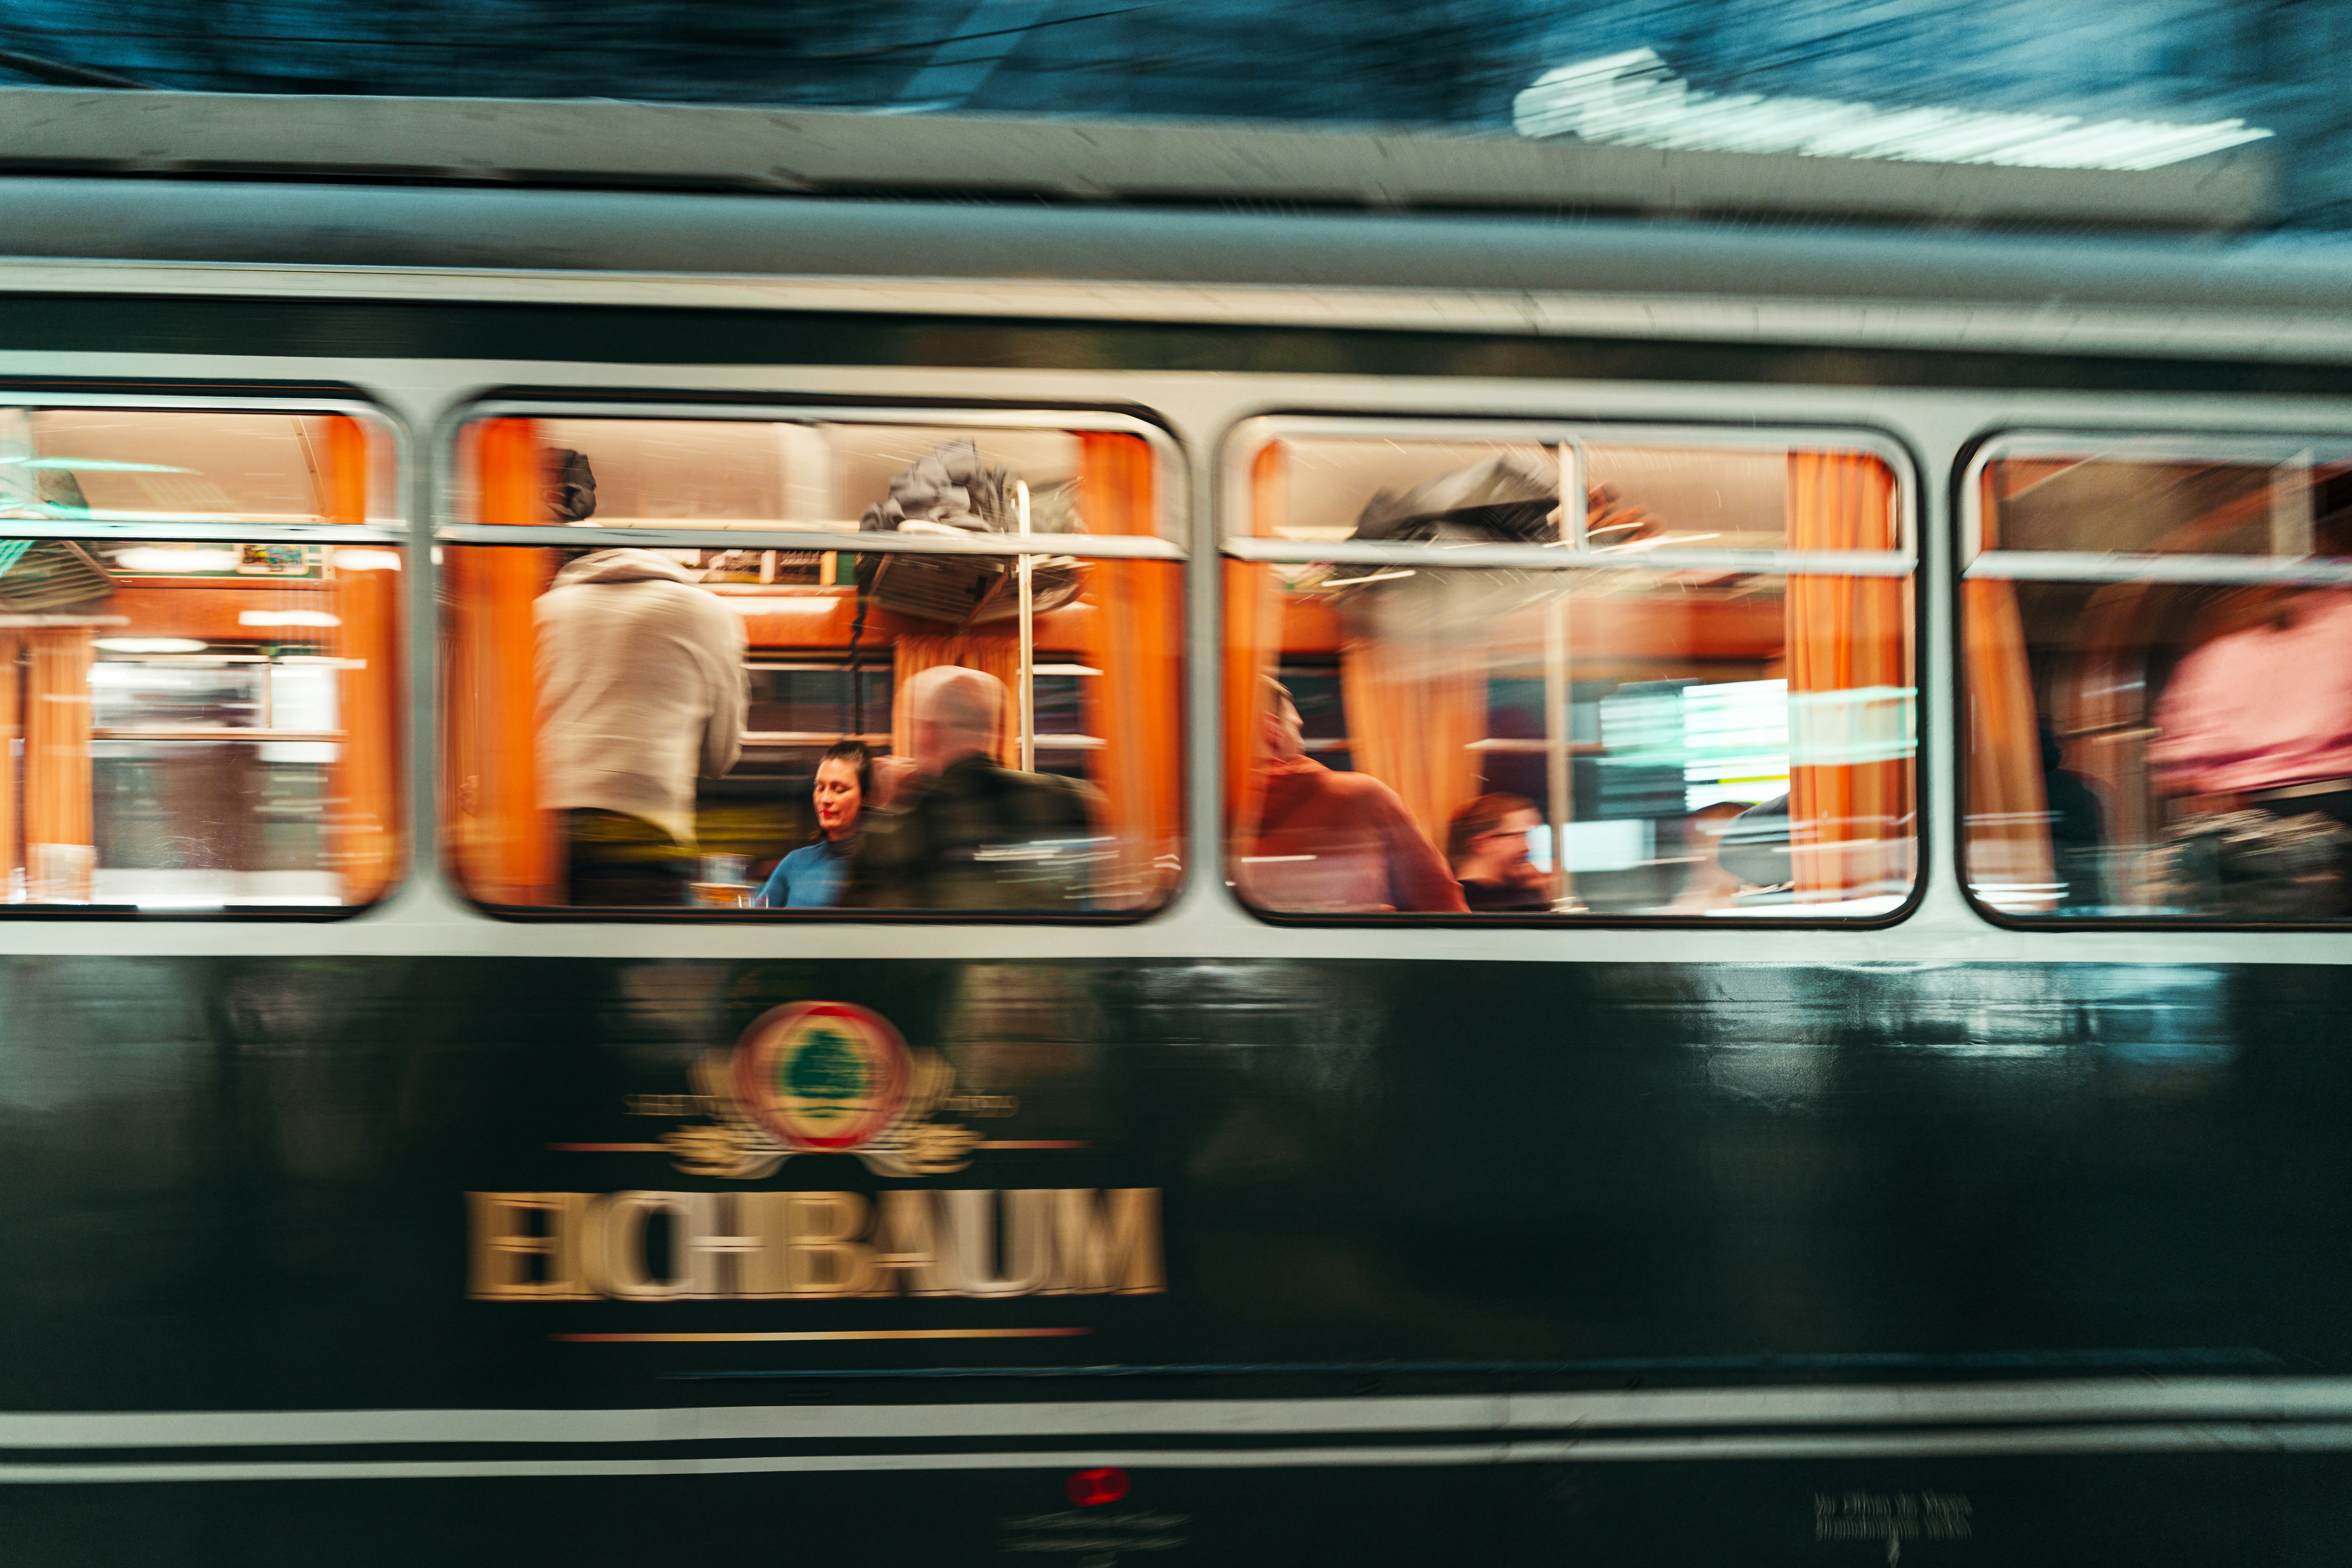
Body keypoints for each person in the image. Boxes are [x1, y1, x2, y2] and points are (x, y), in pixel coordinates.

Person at [535, 547, 745, 904]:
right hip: (647, 838)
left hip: (545, 838)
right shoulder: (711, 613)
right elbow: (719, 758)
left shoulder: (543, 612)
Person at [840, 666, 1104, 910]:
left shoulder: (888, 838)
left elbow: (858, 937)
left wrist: (891, 804)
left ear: (928, 733)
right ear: (995, 731)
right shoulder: (1069, 800)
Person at [1241, 678, 1467, 913]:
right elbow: (1443, 908)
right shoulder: (1361, 796)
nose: (1301, 742)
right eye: (1296, 728)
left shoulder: (1210, 812)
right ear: (1273, 730)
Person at [753, 740, 869, 909]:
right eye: (820, 788)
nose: (825, 800)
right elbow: (756, 924)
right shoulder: (796, 863)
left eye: (839, 790)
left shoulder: (880, 865)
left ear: (865, 797)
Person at [1446, 793, 1551, 911]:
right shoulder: (1466, 903)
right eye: (1519, 836)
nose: (1528, 847)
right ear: (1482, 844)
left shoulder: (1516, 893)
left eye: (1528, 836)